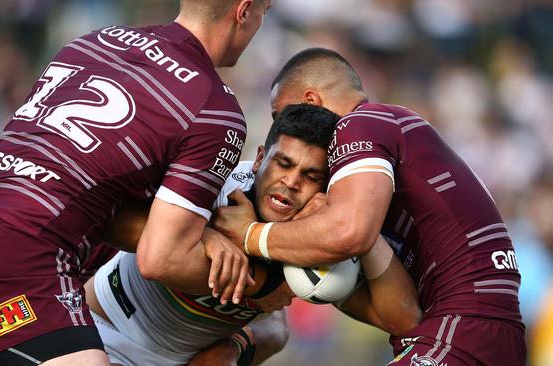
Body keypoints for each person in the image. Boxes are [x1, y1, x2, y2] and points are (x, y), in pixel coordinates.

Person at [0, 1, 272, 365]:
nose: (261, 23)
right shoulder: (214, 109)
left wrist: (204, 232)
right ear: (243, 10)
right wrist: (265, 286)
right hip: (18, 258)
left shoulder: (91, 42)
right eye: (264, 11)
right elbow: (163, 258)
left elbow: (82, 172)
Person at [213, 48, 526, 365]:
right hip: (470, 330)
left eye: (279, 115)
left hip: (462, 325)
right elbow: (403, 320)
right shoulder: (361, 179)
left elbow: (351, 232)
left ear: (310, 103)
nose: (285, 127)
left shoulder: (360, 124)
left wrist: (252, 236)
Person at [84, 104, 421, 365]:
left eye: (311, 175)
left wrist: (363, 234)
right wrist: (203, 235)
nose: (291, 182)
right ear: (260, 158)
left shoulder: (319, 238)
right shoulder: (214, 182)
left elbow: (402, 319)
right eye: (284, 164)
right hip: (103, 328)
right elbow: (109, 221)